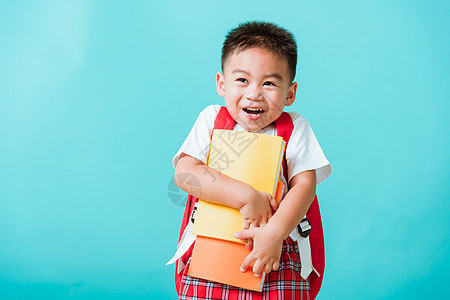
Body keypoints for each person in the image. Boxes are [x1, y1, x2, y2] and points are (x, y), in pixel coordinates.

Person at [172, 21, 332, 299]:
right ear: (222, 83)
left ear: (290, 93)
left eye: (269, 83)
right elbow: (185, 174)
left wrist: (274, 233)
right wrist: (245, 197)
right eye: (242, 80)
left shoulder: (295, 128)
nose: (254, 93)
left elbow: (305, 186)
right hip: (212, 251)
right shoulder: (212, 120)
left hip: (275, 255)